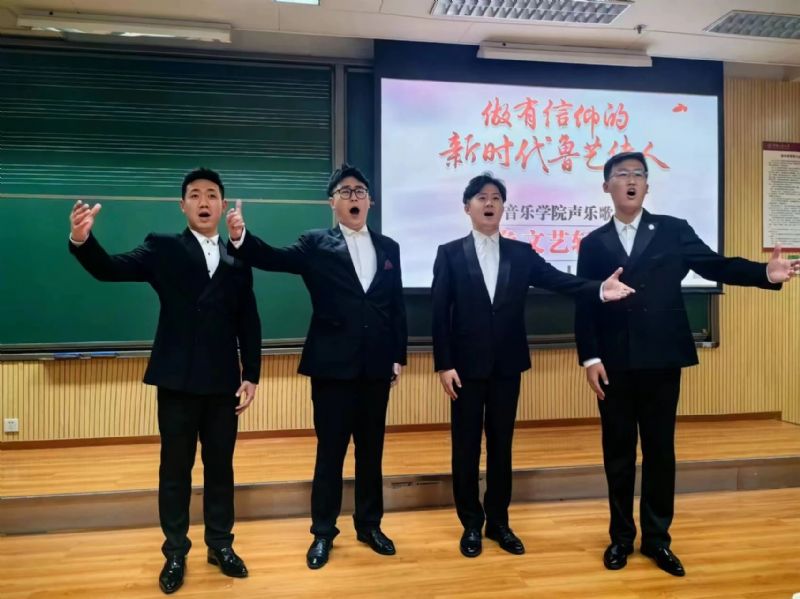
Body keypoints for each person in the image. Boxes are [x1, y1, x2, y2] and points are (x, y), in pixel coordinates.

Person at [575, 151, 800, 577]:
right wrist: (590, 357)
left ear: (647, 186)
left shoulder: (673, 230)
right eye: (622, 174)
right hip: (614, 363)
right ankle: (621, 537)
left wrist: (764, 274)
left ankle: (657, 539)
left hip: (662, 358)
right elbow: (585, 303)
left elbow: (716, 265)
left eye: (638, 174)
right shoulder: (593, 243)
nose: (631, 180)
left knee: (660, 451)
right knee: (618, 453)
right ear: (606, 186)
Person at [68, 168, 261, 594]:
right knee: (175, 470)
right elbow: (110, 269)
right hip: (176, 379)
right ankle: (175, 552)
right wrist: (82, 240)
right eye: (195, 195)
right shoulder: (164, 247)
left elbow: (248, 319)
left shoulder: (238, 256)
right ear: (183, 205)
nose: (204, 201)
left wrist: (252, 375)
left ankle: (220, 545)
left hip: (223, 383)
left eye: (212, 194)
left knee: (221, 468)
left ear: (222, 205)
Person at [431, 172, 635, 559]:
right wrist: (445, 364)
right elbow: (440, 313)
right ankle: (471, 524)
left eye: (496, 197)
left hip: (507, 365)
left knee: (502, 446)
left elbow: (559, 281)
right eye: (481, 197)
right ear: (467, 207)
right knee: (465, 447)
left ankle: (499, 522)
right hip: (465, 368)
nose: (489, 203)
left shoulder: (521, 253)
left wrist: (598, 289)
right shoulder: (449, 253)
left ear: (503, 207)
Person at [225, 164, 407, 570]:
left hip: (376, 367)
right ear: (332, 203)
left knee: (372, 452)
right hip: (331, 367)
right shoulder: (315, 243)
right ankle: (323, 532)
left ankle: (370, 525)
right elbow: (273, 258)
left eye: (360, 192)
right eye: (345, 192)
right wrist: (240, 238)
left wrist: (397, 355)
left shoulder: (389, 247)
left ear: (371, 201)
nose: (354, 197)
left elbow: (395, 306)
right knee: (330, 452)